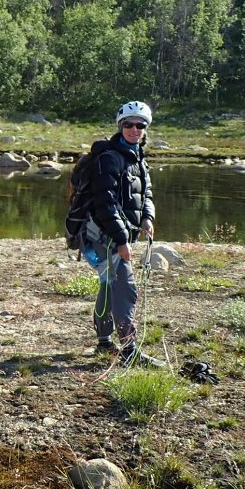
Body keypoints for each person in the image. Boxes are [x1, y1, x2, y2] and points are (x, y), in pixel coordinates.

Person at [82, 101, 165, 368]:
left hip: (122, 234)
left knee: (109, 285)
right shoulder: (109, 158)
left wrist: (147, 218)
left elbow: (146, 193)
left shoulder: (137, 156)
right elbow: (105, 203)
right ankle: (129, 348)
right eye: (128, 124)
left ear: (145, 129)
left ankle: (105, 340)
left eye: (140, 125)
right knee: (126, 289)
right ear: (120, 126)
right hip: (105, 236)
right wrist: (120, 240)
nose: (134, 129)